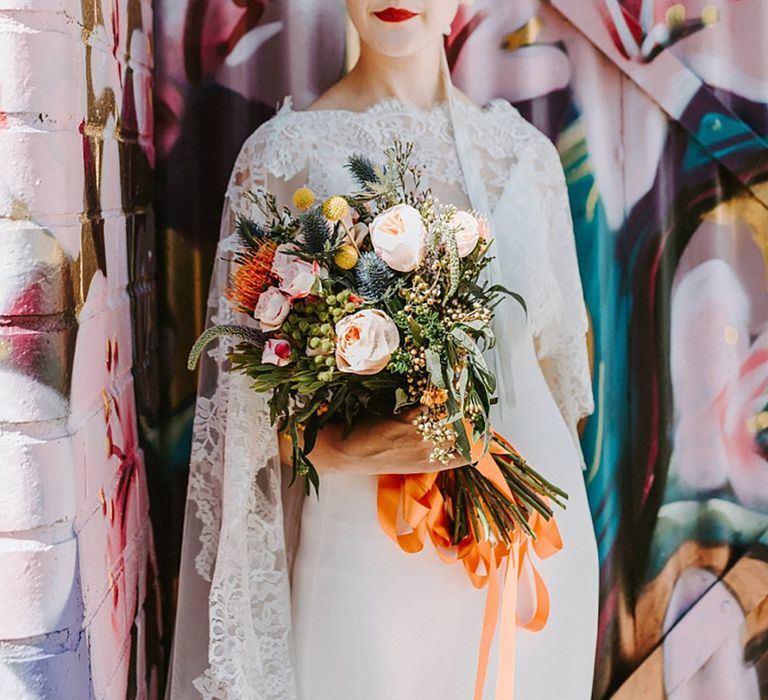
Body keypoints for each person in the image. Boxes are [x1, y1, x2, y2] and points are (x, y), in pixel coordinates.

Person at [168, 1, 599, 698]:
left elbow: (561, 391)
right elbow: (245, 431)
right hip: (364, 568)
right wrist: (359, 447)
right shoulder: (281, 157)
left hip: (526, 569)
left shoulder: (526, 158)